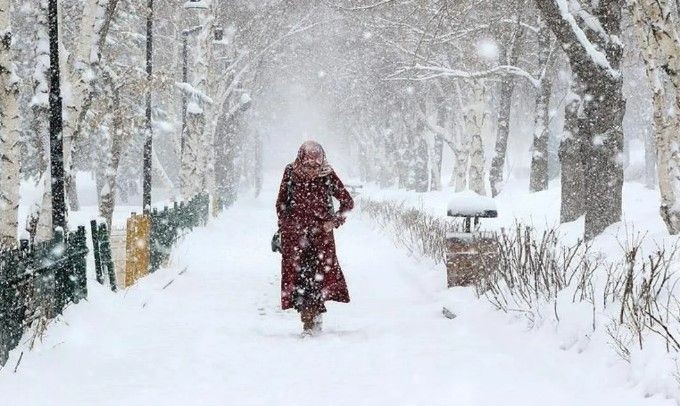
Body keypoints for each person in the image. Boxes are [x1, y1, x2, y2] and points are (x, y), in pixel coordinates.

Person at [275, 141, 354, 336]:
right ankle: (308, 318)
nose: (312, 170)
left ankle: (312, 319)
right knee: (300, 279)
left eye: (316, 166)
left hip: (321, 239)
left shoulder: (327, 175)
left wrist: (334, 222)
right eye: (308, 165)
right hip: (295, 238)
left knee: (317, 278)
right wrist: (287, 225)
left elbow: (347, 202)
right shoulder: (291, 172)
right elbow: (281, 202)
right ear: (301, 160)